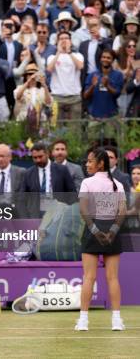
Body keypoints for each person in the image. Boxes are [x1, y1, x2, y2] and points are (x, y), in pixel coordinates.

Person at [75, 148, 127, 332]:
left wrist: (96, 230)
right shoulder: (118, 185)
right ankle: (116, 320)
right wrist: (112, 231)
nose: (87, 164)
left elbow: (83, 210)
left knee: (89, 277)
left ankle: (83, 321)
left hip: (92, 231)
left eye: (90, 161)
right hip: (111, 232)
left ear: (101, 163)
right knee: (112, 277)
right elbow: (122, 212)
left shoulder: (88, 183)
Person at [83, 49, 124, 119]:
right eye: (103, 57)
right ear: (100, 59)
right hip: (94, 116)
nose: (105, 59)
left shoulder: (118, 75)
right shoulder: (92, 75)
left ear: (113, 60)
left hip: (111, 115)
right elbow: (85, 96)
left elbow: (117, 94)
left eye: (108, 58)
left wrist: (107, 86)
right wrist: (92, 86)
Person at [0, 144, 26, 208]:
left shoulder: (20, 172)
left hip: (15, 213)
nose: (0, 159)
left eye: (3, 156)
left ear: (10, 157)